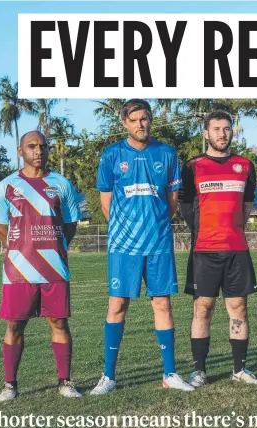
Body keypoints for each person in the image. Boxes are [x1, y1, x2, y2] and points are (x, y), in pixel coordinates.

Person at [91, 99, 193, 394]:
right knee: (118, 305)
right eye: (134, 120)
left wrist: (154, 224)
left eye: (145, 119)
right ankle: (109, 376)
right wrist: (126, 229)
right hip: (124, 245)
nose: (140, 124)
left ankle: (170, 373)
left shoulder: (166, 153)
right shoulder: (112, 155)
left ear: (151, 120)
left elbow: (171, 202)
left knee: (162, 303)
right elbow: (106, 203)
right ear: (124, 123)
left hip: (159, 243)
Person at [0, 130, 82, 401]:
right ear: (21, 151)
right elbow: (0, 227)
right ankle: (10, 385)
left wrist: (53, 249)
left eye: (43, 146)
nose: (38, 151)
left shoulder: (61, 184)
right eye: (32, 146)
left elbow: (70, 225)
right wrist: (21, 252)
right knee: (15, 326)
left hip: (54, 269)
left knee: (59, 322)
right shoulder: (6, 185)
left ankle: (65, 381)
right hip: (18, 271)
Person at [180, 111, 257, 386]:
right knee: (203, 307)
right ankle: (198, 371)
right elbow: (186, 207)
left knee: (238, 306)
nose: (222, 134)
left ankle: (239, 369)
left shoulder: (245, 165)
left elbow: (247, 206)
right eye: (216, 129)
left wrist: (231, 228)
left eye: (226, 129)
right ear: (206, 133)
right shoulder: (192, 167)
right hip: (204, 249)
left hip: (236, 248)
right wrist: (206, 229)